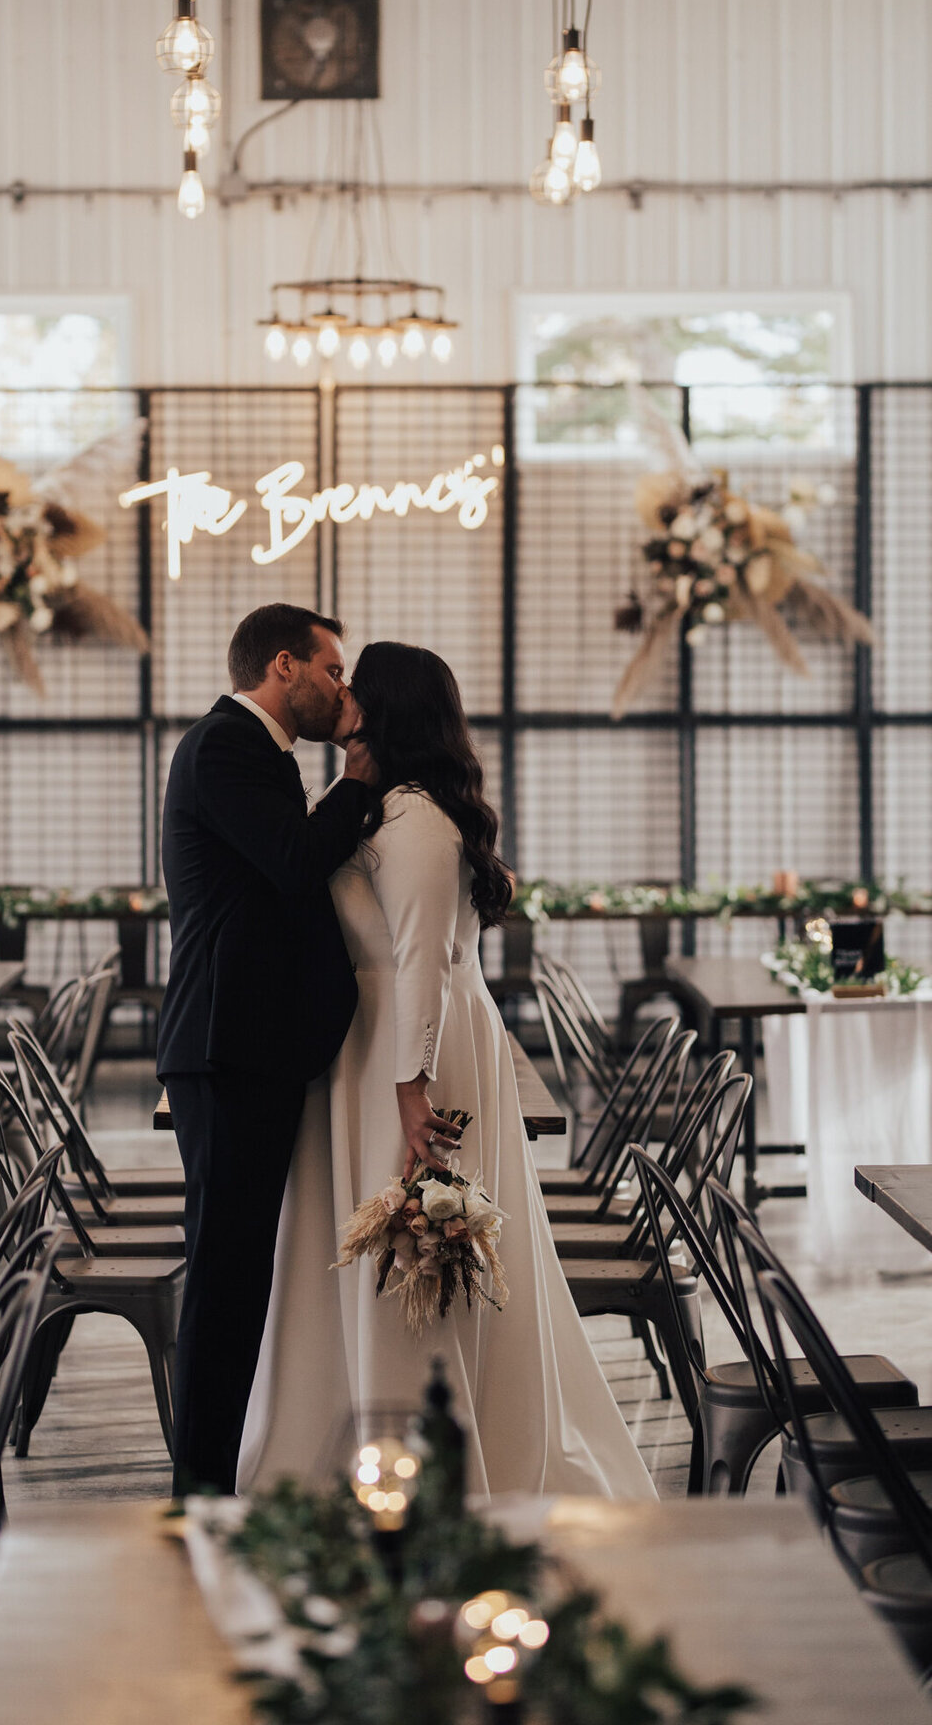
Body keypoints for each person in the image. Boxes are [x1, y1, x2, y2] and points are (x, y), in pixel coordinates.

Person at [238, 641, 657, 1502]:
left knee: (417, 1245)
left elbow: (423, 961)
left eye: (357, 682)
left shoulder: (420, 821)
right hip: (369, 1042)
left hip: (410, 1050)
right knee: (367, 1244)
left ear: (389, 706)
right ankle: (346, 1429)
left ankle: (429, 1441)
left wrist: (410, 1090)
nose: (341, 691)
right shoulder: (379, 807)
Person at [158, 603, 378, 1496]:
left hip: (249, 1046)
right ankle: (200, 1493)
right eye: (333, 671)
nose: (342, 689)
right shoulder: (224, 747)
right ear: (283, 666)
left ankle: (217, 1474)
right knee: (225, 1276)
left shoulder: (260, 757)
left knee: (242, 1270)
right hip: (228, 1047)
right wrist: (361, 780)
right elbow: (294, 863)